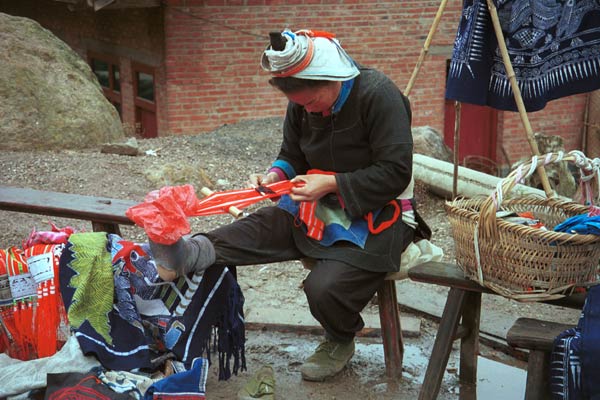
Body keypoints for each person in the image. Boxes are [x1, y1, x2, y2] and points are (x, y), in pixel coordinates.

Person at [146, 28, 431, 383]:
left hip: (380, 213)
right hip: (317, 204)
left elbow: (395, 171)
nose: (306, 109)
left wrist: (329, 183)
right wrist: (274, 174)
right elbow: (292, 155)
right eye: (301, 104)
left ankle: (340, 339)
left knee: (324, 289)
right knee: (265, 223)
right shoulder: (302, 103)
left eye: (312, 102)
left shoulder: (379, 96)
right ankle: (190, 253)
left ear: (333, 79)